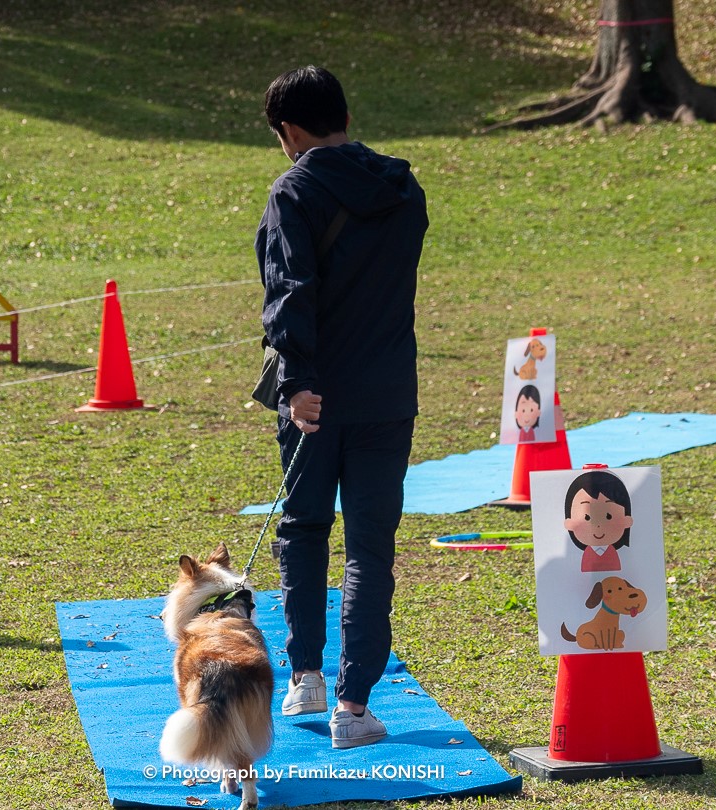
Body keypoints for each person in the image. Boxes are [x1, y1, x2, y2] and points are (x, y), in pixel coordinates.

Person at [255, 66, 428, 749]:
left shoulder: (293, 190)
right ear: (345, 118)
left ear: (289, 131)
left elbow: (288, 290)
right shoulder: (404, 188)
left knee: (303, 527)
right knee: (370, 549)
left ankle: (306, 674)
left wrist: (295, 380)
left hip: (315, 395)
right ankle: (354, 707)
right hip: (387, 391)